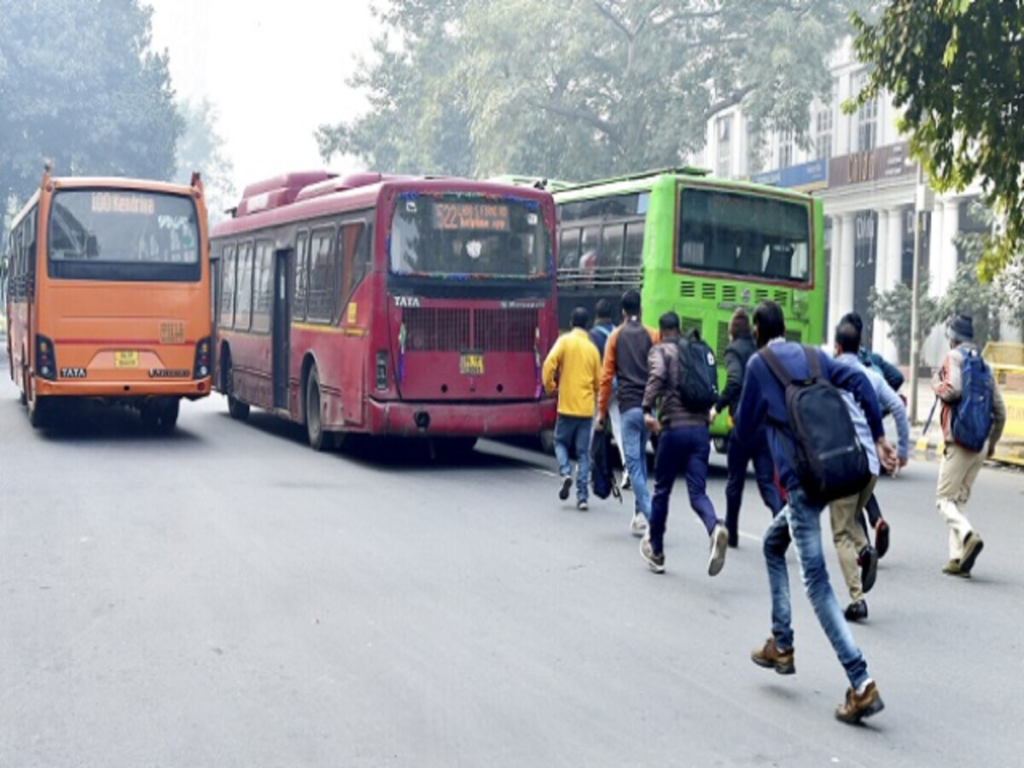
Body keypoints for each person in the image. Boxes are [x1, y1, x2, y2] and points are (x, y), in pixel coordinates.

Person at [735, 301, 897, 724]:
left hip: (803, 485)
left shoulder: (758, 366)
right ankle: (782, 643)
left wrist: (737, 478)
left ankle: (861, 683)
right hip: (832, 471)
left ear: (757, 330)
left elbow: (744, 430)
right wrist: (879, 439)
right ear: (785, 328)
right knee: (773, 544)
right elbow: (861, 383)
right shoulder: (816, 356)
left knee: (817, 583)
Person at [830, 321, 909, 622]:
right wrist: (901, 452)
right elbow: (899, 409)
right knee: (849, 518)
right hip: (871, 468)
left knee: (840, 533)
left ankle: (856, 599)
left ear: (837, 347)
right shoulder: (872, 376)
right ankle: (865, 550)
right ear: (860, 344)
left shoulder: (830, 374)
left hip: (845, 464)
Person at [639, 312, 729, 576]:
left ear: (661, 331)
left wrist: (646, 409)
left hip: (674, 430)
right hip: (701, 432)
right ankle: (714, 526)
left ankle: (656, 551)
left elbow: (656, 378)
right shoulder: (696, 351)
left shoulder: (661, 351)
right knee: (697, 493)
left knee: (662, 490)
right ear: (679, 329)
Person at [932, 314, 1006, 577]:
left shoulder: (954, 358)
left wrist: (935, 383)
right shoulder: (984, 364)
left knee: (943, 500)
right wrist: (992, 443)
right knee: (959, 501)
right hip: (980, 443)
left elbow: (951, 390)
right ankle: (958, 559)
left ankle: (967, 534)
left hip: (959, 441)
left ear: (952, 338)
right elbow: (1000, 410)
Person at [710, 308, 783, 547]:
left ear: (731, 332)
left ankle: (731, 531)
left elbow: (734, 380)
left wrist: (717, 406)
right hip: (764, 424)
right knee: (765, 481)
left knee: (735, 482)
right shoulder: (760, 349)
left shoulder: (733, 350)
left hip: (742, 425)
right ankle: (781, 518)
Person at [597, 290, 658, 537]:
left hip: (629, 409)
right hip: (648, 410)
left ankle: (654, 519)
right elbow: (660, 371)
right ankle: (639, 517)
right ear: (640, 310)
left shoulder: (615, 337)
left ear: (623, 312)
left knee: (633, 466)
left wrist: (601, 413)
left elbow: (606, 378)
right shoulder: (653, 335)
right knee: (640, 462)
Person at [841, 311, 902, 556]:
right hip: (872, 426)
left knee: (853, 490)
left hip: (850, 431)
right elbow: (896, 377)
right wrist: (881, 404)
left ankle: (866, 547)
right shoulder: (872, 359)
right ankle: (877, 522)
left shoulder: (841, 364)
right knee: (865, 479)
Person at [543, 307, 602, 511]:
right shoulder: (592, 349)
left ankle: (565, 472)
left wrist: (551, 387)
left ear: (570, 323)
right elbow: (598, 382)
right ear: (588, 325)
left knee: (560, 442)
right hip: (585, 409)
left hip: (566, 405)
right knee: (583, 454)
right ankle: (582, 497)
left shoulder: (564, 341)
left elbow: (549, 364)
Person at [588, 299, 628, 480]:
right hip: (620, 386)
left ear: (596, 315)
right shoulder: (619, 333)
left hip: (601, 387)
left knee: (592, 426)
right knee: (620, 428)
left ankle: (586, 470)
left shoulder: (592, 335)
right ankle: (628, 470)